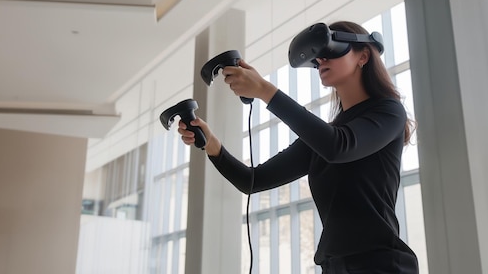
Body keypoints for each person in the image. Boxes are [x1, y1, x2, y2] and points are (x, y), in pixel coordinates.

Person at [178, 21, 419, 273]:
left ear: (364, 56)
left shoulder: (388, 112)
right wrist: (212, 145)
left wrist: (265, 90)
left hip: (381, 264)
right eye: (317, 57)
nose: (321, 60)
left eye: (332, 50)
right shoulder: (325, 137)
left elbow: (339, 147)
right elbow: (252, 180)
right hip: (334, 266)